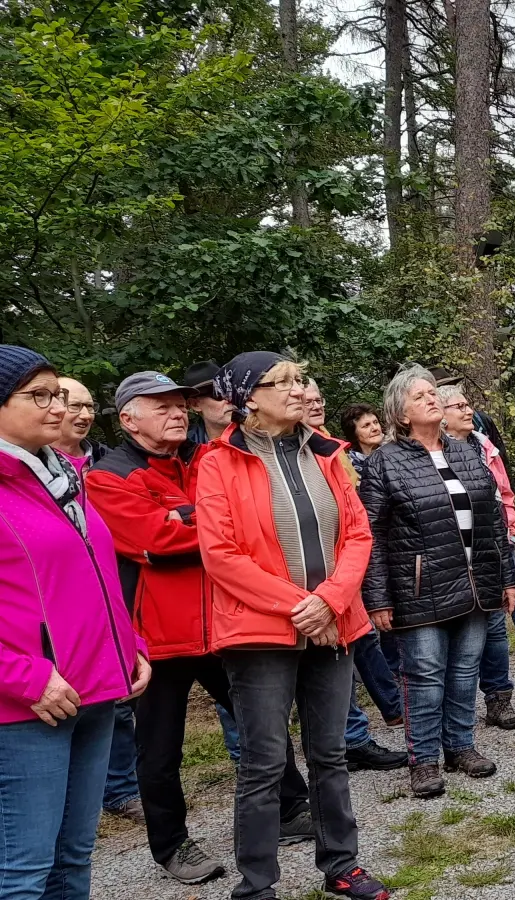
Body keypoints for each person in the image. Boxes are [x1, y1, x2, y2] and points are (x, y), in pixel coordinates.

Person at [86, 372, 328, 884]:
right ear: (128, 419)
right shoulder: (107, 477)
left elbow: (250, 520)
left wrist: (187, 519)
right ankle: (171, 844)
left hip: (223, 626)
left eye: (180, 404)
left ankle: (289, 809)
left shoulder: (209, 458)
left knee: (261, 725)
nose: (177, 413)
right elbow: (156, 540)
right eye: (161, 407)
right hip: (159, 637)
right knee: (160, 749)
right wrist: (209, 527)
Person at [195, 352, 389, 900]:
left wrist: (330, 601)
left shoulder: (327, 452)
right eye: (281, 382)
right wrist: (302, 606)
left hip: (333, 624)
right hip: (260, 636)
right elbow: (221, 555)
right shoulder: (218, 463)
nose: (297, 389)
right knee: (264, 763)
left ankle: (342, 865)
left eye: (299, 379)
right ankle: (257, 885)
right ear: (248, 398)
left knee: (329, 754)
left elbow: (358, 535)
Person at [0, 346, 151, 898]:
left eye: (57, 394)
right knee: (23, 872)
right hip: (27, 706)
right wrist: (26, 678)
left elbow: (91, 575)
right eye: (38, 396)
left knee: (73, 858)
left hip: (94, 688)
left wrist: (129, 645)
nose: (58, 407)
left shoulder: (62, 477)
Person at [360, 366, 515, 799]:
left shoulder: (466, 453)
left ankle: (460, 747)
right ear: (401, 414)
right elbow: (371, 535)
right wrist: (378, 598)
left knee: (465, 671)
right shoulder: (384, 462)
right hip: (418, 589)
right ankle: (424, 759)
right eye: (420, 396)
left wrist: (507, 577)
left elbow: (494, 521)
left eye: (433, 393)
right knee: (425, 676)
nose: (432, 399)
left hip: (476, 583)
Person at [302, 379, 409, 767]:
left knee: (359, 640)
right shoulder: (296, 452)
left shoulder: (328, 446)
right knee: (344, 647)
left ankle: (376, 721)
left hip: (348, 561)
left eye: (319, 397)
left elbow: (353, 510)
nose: (315, 404)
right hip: (315, 573)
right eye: (306, 399)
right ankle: (350, 738)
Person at [50, 375, 141, 823]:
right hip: (62, 605)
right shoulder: (36, 473)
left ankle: (122, 785)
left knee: (120, 697)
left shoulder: (104, 462)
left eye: (89, 406)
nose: (84, 414)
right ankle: (114, 790)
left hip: (117, 589)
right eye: (74, 405)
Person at [438, 383, 515, 727]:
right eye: (458, 406)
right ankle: (450, 716)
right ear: (440, 416)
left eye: (467, 404)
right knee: (456, 635)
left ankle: (499, 701)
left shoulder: (484, 445)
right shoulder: (431, 453)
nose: (468, 411)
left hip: (494, 545)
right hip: (451, 554)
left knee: (497, 628)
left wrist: (510, 527)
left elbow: (504, 492)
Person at [53, 376, 109, 466]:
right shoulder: (33, 460)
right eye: (74, 405)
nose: (86, 415)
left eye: (89, 406)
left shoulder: (106, 456)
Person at [182, 360, 232, 445]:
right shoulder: (184, 448)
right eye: (217, 394)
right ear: (195, 404)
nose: (229, 400)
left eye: (230, 392)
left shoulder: (256, 436)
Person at [340, 402, 384, 478]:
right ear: (353, 434)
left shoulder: (396, 452)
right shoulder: (347, 466)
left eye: (376, 422)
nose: (375, 428)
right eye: (366, 425)